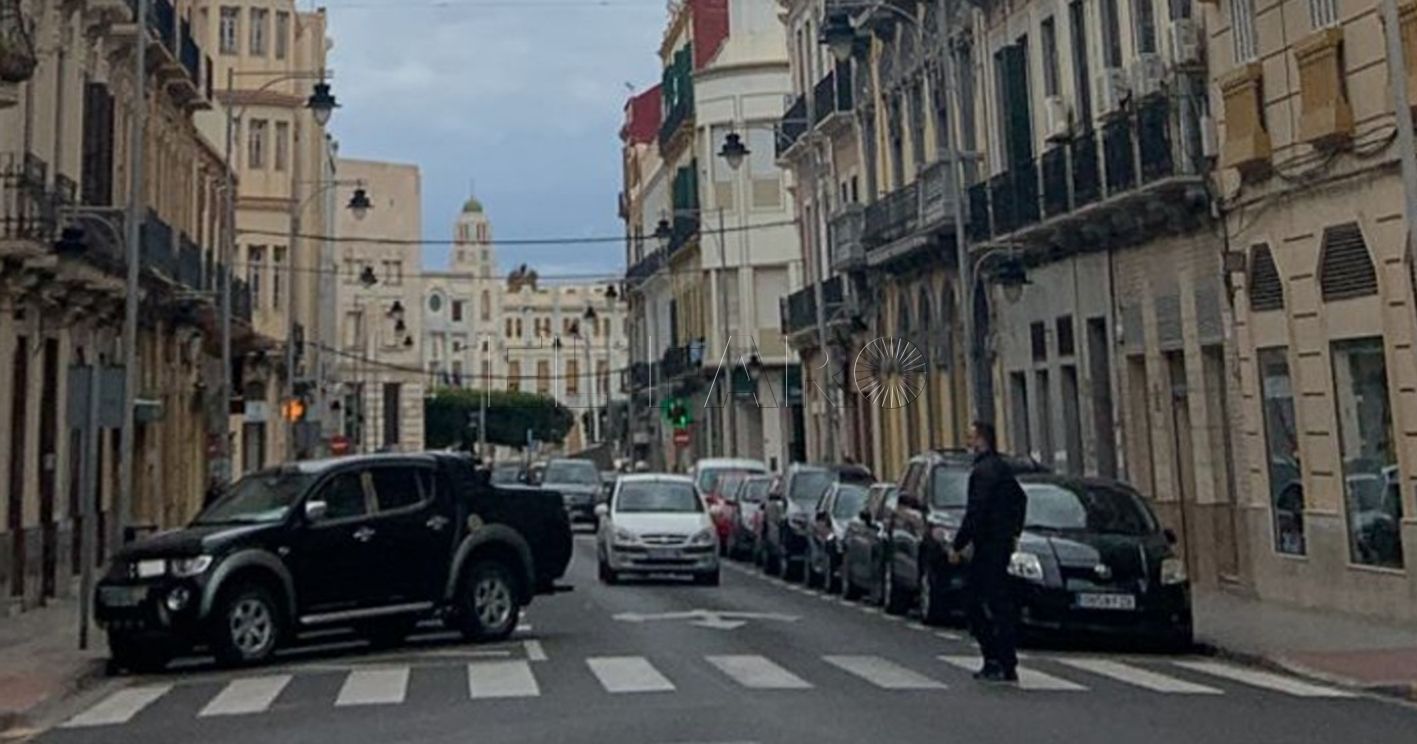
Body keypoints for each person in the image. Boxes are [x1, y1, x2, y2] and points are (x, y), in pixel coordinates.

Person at [947, 420, 1027, 683]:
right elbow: (1021, 500)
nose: (968, 442)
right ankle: (1006, 661)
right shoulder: (1003, 469)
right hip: (1000, 545)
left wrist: (958, 544)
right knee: (999, 604)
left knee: (975, 604)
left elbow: (976, 512)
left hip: (987, 548)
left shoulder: (983, 472)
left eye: (971, 437)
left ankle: (995, 659)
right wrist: (1014, 532)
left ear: (982, 440)